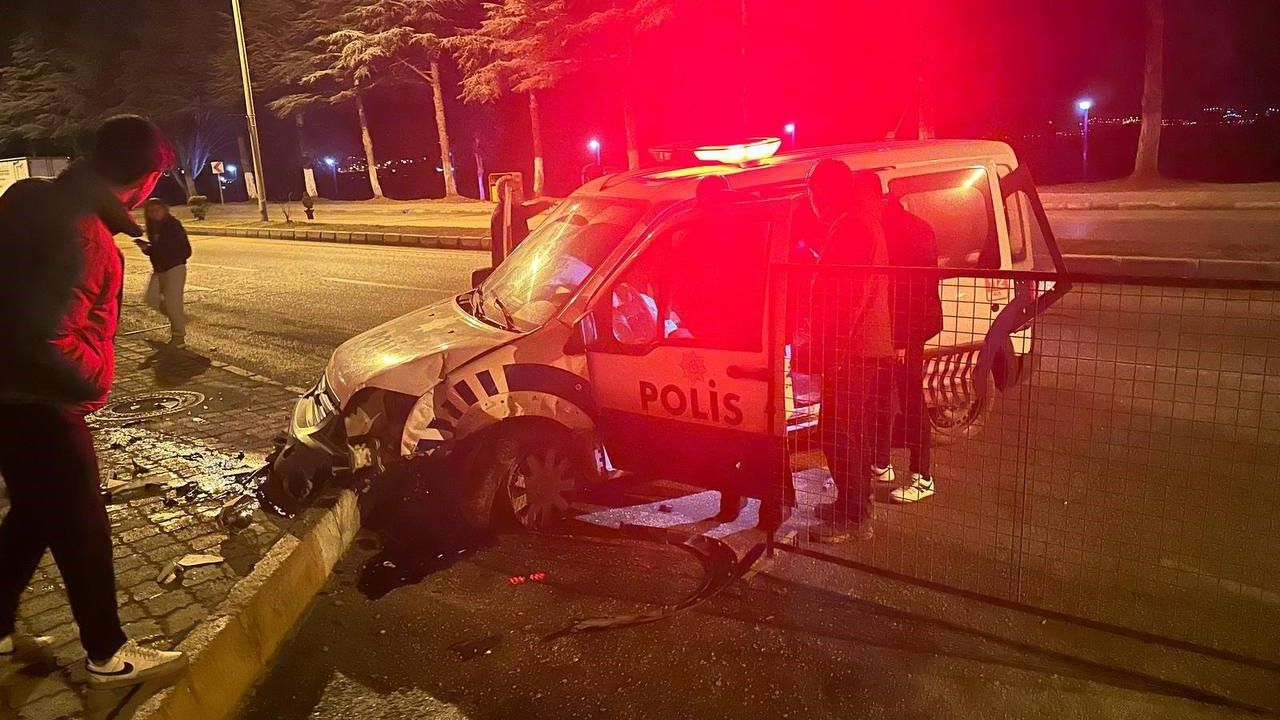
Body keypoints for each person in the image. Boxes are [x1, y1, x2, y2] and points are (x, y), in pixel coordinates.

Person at [0, 115, 187, 687]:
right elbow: (45, 339)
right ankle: (108, 654)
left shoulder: (28, 198)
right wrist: (94, 381)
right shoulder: (87, 237)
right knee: (83, 527)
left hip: (7, 393)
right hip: (39, 400)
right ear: (147, 179)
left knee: (33, 514)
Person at [808, 161, 895, 542]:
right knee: (846, 431)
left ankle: (854, 516)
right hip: (858, 347)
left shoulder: (853, 226)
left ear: (826, 191)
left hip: (851, 350)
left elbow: (850, 296)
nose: (811, 199)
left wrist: (836, 347)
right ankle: (852, 504)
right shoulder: (858, 222)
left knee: (839, 433)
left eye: (812, 190)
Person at [884, 195, 943, 503]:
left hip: (909, 331)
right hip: (905, 328)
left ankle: (922, 477)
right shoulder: (911, 227)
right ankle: (882, 464)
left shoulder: (906, 232)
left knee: (910, 399)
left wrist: (903, 340)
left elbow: (913, 290)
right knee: (891, 395)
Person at [138, 198, 191, 349]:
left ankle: (179, 337)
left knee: (173, 304)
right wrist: (147, 249)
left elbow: (185, 250)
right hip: (159, 269)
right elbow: (157, 250)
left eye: (158, 210)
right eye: (151, 211)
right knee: (151, 298)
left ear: (164, 209)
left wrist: (170, 257)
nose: (155, 214)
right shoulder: (154, 227)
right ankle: (178, 317)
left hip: (174, 268)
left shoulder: (173, 225)